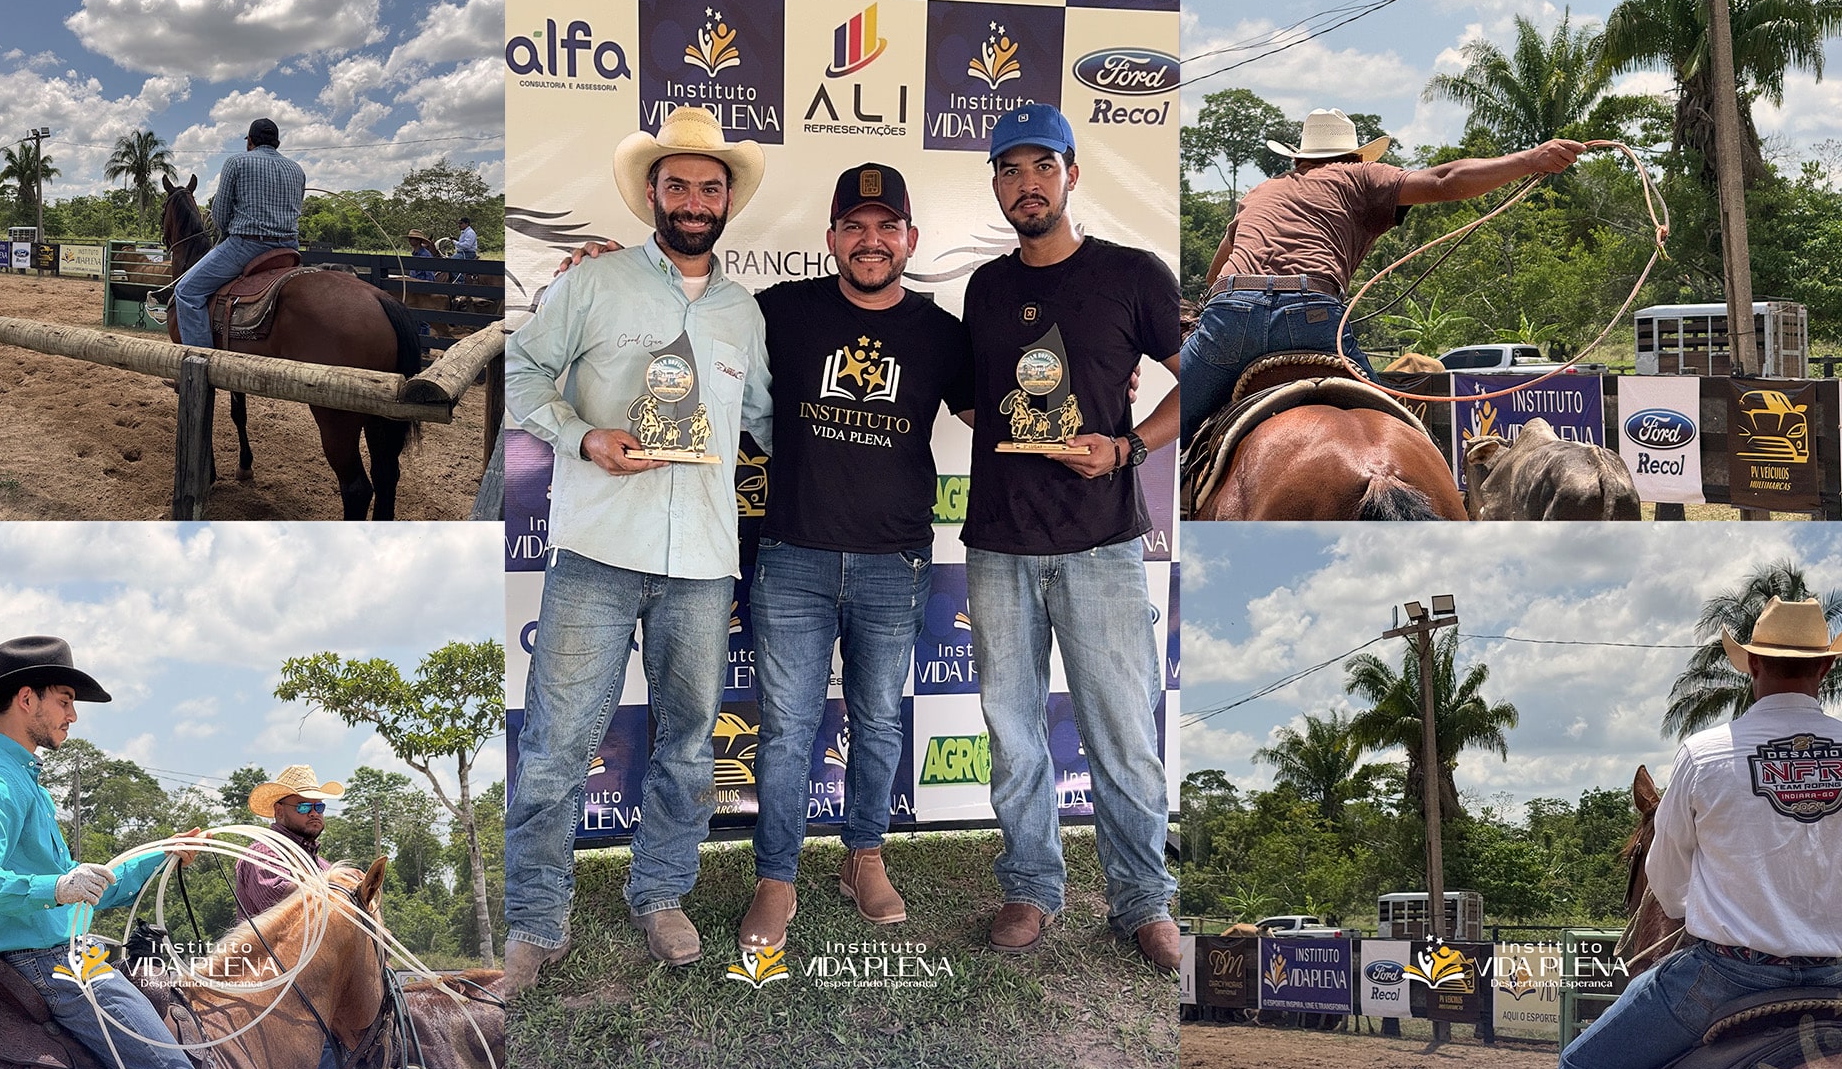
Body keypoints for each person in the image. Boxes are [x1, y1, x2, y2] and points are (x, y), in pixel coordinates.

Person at [548, 163, 977, 952]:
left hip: (897, 561)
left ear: (911, 239)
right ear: (832, 239)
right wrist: (603, 268)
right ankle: (776, 879)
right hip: (792, 559)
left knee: (880, 723)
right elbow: (686, 299)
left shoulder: (944, 334)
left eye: (887, 228)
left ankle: (864, 858)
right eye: (855, 227)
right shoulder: (772, 310)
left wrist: (1097, 381)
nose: (871, 242)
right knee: (785, 731)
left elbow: (1008, 409)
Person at [500, 107, 771, 995]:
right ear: (651, 193)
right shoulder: (594, 283)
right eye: (678, 185)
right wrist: (583, 438)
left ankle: (660, 893)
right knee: (554, 748)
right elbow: (521, 373)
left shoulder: (743, 314)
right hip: (596, 550)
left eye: (709, 187)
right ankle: (538, 919)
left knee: (690, 747)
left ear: (727, 201)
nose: (694, 201)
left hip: (701, 560)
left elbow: (769, 420)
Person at [957, 104, 1181, 973]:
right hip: (1000, 547)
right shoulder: (984, 288)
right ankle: (1030, 887)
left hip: (1102, 546)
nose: (1026, 185)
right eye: (1009, 171)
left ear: (1072, 174)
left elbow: (1197, 380)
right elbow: (977, 401)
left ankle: (1143, 902)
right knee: (1012, 732)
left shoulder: (1133, 274)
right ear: (997, 185)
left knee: (1121, 732)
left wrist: (1124, 445)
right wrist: (1032, 429)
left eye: (1041, 167)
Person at [1554, 597, 1842, 1069]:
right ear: (1825, 667)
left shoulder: (1704, 753)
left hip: (1727, 978)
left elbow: (1664, 882)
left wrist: (1715, 906)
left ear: (1752, 663)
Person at [1179, 108, 1584, 438]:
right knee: (1394, 431)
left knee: (1163, 432)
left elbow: (1218, 271)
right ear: (1355, 156)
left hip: (1230, 315)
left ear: (1298, 158)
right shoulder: (1359, 176)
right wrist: (1532, 159)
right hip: (1313, 318)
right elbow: (1443, 180)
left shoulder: (1262, 191)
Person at [0, 636, 207, 1069]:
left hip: (47, 952)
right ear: (27, 699)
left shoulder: (19, 777)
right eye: (64, 701)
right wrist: (57, 888)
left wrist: (160, 856)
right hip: (46, 963)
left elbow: (83, 888)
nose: (73, 715)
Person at [234, 765, 343, 1069]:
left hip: (317, 999)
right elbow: (288, 914)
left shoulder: (322, 864)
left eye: (319, 806)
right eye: (303, 806)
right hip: (276, 1002)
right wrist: (340, 890)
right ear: (279, 810)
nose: (314, 812)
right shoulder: (265, 854)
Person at [171, 118, 306, 349]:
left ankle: (199, 365)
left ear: (250, 142)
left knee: (186, 292)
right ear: (277, 143)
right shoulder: (297, 169)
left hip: (246, 247)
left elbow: (221, 216)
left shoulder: (236, 162)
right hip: (289, 249)